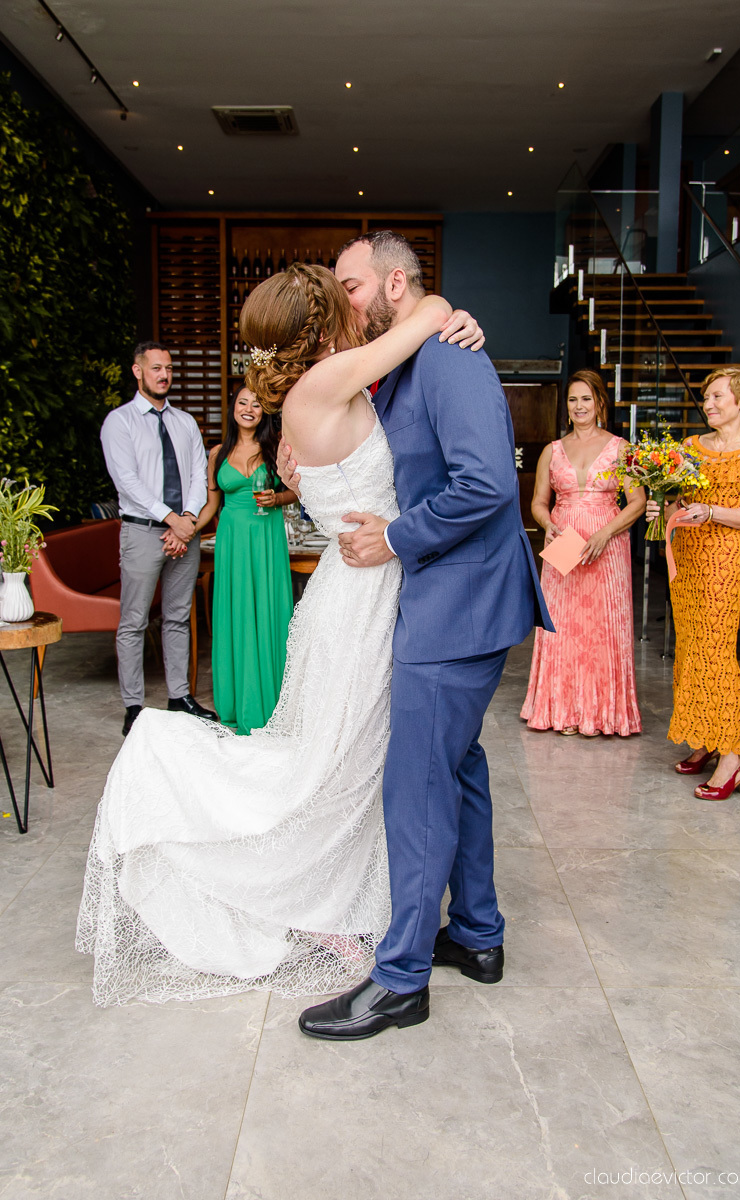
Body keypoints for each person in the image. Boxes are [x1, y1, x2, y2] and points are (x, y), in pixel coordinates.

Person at [76, 265, 483, 1007]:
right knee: (336, 763)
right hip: (361, 596)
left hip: (349, 589)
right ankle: (320, 905)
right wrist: (453, 316)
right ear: (325, 321)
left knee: (344, 755)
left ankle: (344, 904)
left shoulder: (308, 396)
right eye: (346, 297)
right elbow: (426, 310)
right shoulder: (326, 385)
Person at [280, 231, 553, 1041]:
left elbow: (483, 485)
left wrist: (394, 541)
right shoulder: (404, 359)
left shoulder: (450, 358)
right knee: (457, 766)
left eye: (352, 286)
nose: (343, 301)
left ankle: (398, 980)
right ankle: (476, 935)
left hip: (457, 604)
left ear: (395, 284)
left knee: (416, 784)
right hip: (437, 599)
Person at [646, 366, 740, 800]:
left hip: (724, 562)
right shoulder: (690, 447)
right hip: (686, 559)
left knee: (715, 654)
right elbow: (680, 503)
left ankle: (733, 757)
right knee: (688, 648)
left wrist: (712, 511)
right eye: (706, 397)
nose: (708, 404)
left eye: (718, 397)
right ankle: (704, 736)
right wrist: (663, 512)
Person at [100, 342, 216, 737]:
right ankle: (134, 706)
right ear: (138, 371)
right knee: (133, 621)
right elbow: (127, 482)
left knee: (178, 618)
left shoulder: (185, 423)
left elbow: (199, 477)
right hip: (142, 533)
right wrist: (172, 519)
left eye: (168, 368)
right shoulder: (120, 422)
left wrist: (185, 521)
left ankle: (179, 696)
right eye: (156, 368)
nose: (164, 375)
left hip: (183, 532)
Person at [163, 386, 295, 734]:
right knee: (235, 616)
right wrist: (186, 530)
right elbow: (210, 506)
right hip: (232, 542)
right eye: (242, 403)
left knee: (267, 614)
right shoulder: (217, 454)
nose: (249, 409)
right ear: (233, 408)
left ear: (264, 410)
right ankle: (238, 703)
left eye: (256, 403)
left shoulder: (275, 447)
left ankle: (271, 705)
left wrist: (276, 498)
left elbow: (297, 491)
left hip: (265, 540)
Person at [520, 369, 644, 738]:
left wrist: (605, 533)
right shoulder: (552, 451)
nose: (579, 406)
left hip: (607, 544)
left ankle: (603, 713)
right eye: (573, 400)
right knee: (562, 626)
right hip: (564, 543)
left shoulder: (622, 448)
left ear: (599, 403)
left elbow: (637, 503)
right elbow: (538, 502)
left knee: (603, 627)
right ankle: (562, 709)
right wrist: (548, 525)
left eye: (586, 399)